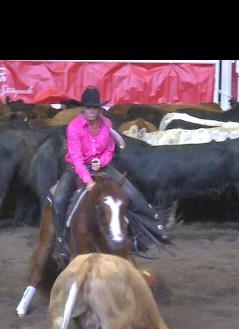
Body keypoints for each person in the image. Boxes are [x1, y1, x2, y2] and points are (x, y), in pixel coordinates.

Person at [51, 86, 171, 258]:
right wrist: (88, 180)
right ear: (83, 108)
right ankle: (61, 241)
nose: (93, 111)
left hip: (102, 167)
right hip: (76, 169)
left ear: (99, 109)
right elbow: (76, 157)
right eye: (89, 107)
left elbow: (110, 149)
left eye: (96, 108)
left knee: (131, 194)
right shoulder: (74, 127)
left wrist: (101, 162)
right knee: (59, 200)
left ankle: (147, 233)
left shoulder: (106, 124)